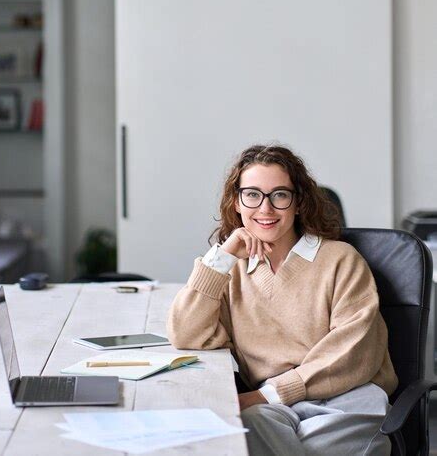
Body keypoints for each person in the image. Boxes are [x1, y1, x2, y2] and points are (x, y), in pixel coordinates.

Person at [167, 144, 398, 456]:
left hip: (347, 399)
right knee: (249, 427)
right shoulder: (230, 270)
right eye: (252, 194)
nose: (265, 208)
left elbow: (353, 352)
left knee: (269, 442)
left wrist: (266, 395)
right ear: (237, 202)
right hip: (272, 407)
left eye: (279, 195)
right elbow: (186, 333)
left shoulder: (340, 260)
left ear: (298, 202)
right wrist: (220, 258)